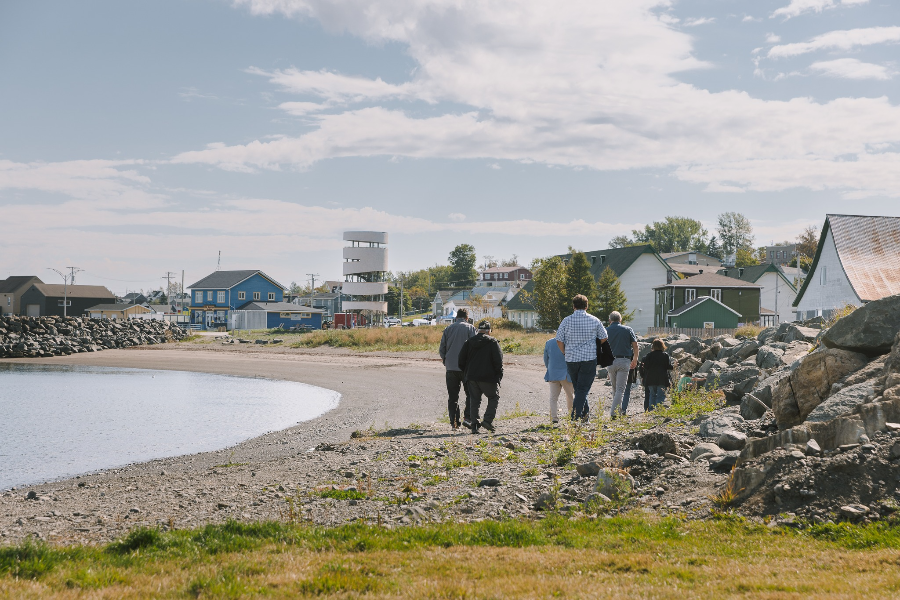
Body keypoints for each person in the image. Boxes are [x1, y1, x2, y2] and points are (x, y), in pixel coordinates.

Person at [556, 294, 608, 421]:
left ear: (573, 306)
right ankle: (575, 416)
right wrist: (593, 345)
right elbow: (604, 337)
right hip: (588, 358)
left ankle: (585, 417)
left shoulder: (566, 321)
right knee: (583, 389)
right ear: (587, 306)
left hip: (571, 359)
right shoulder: (595, 320)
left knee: (579, 388)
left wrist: (564, 352)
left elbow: (559, 340)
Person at [457, 320, 504, 433]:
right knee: (493, 397)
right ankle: (487, 420)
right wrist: (499, 374)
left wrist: (467, 372)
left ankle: (474, 426)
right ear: (489, 331)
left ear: (478, 330)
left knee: (475, 400)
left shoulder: (469, 342)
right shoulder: (492, 342)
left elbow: (460, 360)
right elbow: (498, 360)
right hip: (488, 377)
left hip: (472, 376)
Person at [438, 308, 476, 429]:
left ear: (456, 317)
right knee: (470, 394)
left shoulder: (448, 329)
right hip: (466, 368)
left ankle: (454, 423)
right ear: (467, 317)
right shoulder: (470, 328)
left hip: (451, 367)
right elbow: (474, 347)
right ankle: (467, 418)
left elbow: (442, 348)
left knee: (453, 397)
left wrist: (446, 360)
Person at [605, 311, 639, 419]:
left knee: (615, 389)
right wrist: (635, 359)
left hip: (610, 361)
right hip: (624, 360)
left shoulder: (605, 330)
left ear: (610, 320)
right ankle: (614, 413)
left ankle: (617, 412)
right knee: (620, 389)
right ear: (621, 320)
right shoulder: (628, 330)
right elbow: (635, 346)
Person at [544, 335, 574, 423]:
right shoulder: (569, 342)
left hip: (553, 373)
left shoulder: (549, 342)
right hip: (566, 373)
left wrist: (549, 368)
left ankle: (554, 418)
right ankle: (571, 416)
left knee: (553, 397)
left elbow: (546, 358)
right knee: (570, 396)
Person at [642, 338, 674, 410]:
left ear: (653, 346)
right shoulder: (665, 355)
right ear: (662, 346)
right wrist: (673, 366)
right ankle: (658, 410)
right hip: (662, 379)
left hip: (651, 379)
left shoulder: (649, 355)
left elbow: (646, 367)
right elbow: (668, 367)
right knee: (661, 395)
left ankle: (651, 410)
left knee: (652, 395)